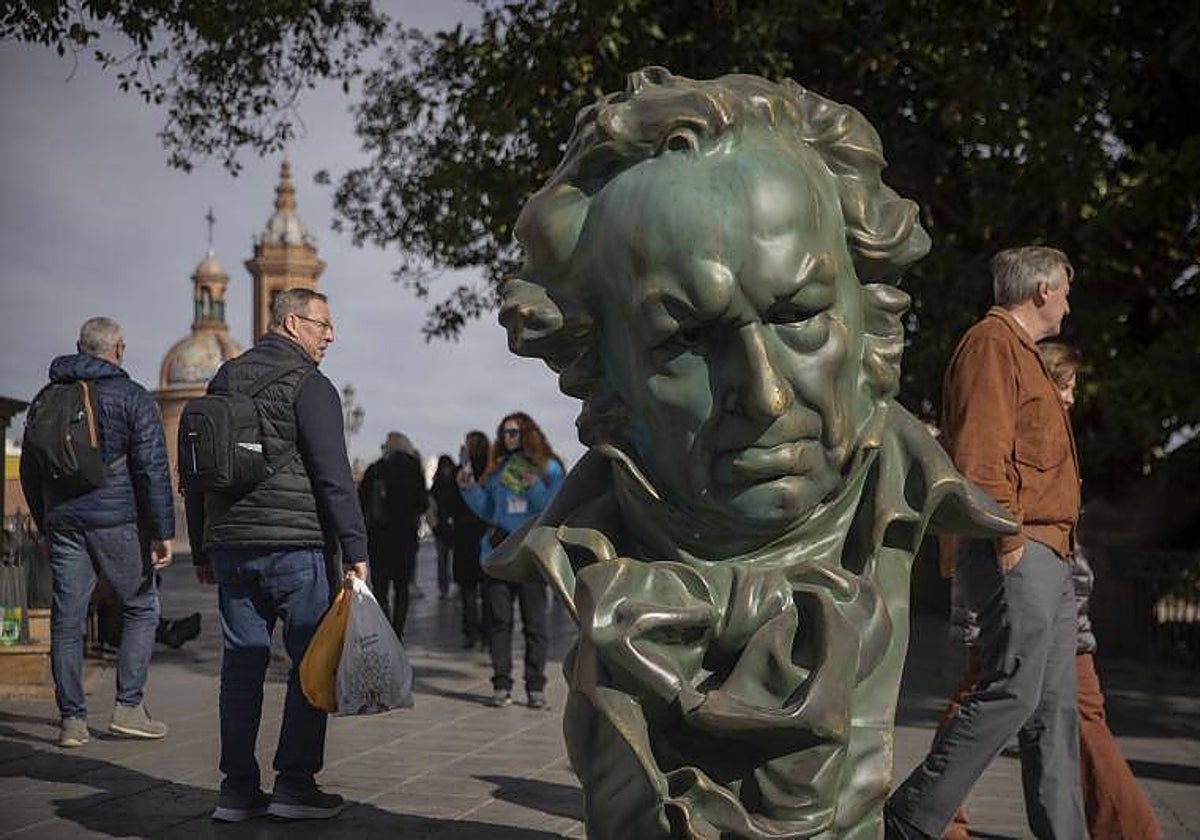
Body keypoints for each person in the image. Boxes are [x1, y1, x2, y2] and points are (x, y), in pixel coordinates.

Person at [490, 69, 1014, 838]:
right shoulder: (598, 562)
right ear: (599, 364)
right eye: (686, 339)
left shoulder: (896, 494)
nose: (765, 396)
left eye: (799, 314)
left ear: (867, 312)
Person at [887, 246, 1084, 839]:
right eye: (1066, 293)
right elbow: (978, 452)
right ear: (1043, 291)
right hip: (1018, 549)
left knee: (1054, 712)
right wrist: (1006, 541)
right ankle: (911, 817)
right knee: (1013, 694)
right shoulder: (992, 344)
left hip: (1051, 551)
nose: (1069, 306)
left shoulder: (1020, 352)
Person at [937, 342, 1160, 840]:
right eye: (1066, 385)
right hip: (1019, 589)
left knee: (1054, 708)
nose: (1071, 397)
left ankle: (938, 817)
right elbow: (995, 495)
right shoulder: (1015, 424)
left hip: (1055, 594)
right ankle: (930, 815)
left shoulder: (1048, 431)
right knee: (999, 699)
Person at [185, 288, 368, 823]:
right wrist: (356, 549)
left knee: (241, 664)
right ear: (291, 323)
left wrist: (201, 543)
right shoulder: (310, 385)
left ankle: (236, 791)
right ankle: (294, 784)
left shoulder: (223, 379)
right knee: (310, 662)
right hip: (295, 546)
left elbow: (195, 469)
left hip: (233, 547)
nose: (330, 335)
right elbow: (334, 476)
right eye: (323, 324)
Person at [21, 316, 175, 748]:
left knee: (67, 618)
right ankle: (128, 707)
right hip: (116, 521)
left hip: (64, 523)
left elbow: (32, 472)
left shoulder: (47, 397)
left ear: (79, 347)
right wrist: (162, 530)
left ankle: (72, 720)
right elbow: (151, 469)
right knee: (141, 606)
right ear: (118, 350)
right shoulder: (132, 397)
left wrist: (46, 520)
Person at [458, 412, 564, 708]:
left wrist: (535, 487)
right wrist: (469, 490)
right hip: (499, 551)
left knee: (535, 623)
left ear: (528, 432)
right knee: (499, 622)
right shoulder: (499, 469)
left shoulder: (549, 468)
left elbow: (555, 508)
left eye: (514, 432)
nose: (508, 437)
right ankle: (501, 684)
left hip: (530, 554)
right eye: (504, 432)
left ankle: (535, 687)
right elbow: (490, 510)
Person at [357, 432, 427, 638]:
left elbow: (362, 502)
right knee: (402, 588)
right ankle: (398, 632)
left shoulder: (376, 468)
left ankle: (383, 629)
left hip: (379, 537)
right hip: (405, 537)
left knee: (380, 588)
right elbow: (422, 503)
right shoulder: (414, 468)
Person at [451, 431, 491, 648]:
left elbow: (449, 501)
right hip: (485, 531)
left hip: (464, 533)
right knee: (486, 585)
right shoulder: (492, 470)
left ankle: (470, 630)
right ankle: (486, 631)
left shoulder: (461, 472)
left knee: (468, 587)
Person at [429, 454, 458, 600]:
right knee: (442, 559)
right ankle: (444, 587)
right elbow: (431, 507)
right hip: (442, 528)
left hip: (451, 527)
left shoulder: (442, 485)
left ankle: (451, 585)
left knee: (450, 559)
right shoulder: (439, 486)